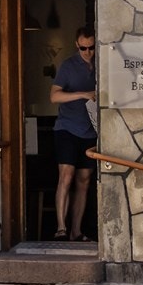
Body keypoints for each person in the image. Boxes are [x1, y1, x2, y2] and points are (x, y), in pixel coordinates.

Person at [51, 25, 98, 241]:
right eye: (83, 48)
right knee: (66, 175)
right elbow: (54, 96)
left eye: (91, 48)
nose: (87, 52)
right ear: (76, 45)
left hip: (90, 131)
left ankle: (76, 231)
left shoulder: (101, 64)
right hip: (67, 128)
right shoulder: (68, 66)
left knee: (84, 180)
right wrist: (83, 94)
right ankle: (61, 228)